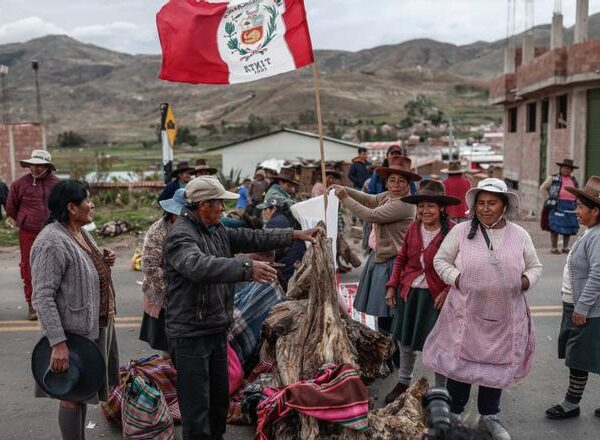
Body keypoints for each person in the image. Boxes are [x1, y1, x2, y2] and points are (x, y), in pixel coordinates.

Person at [164, 176, 316, 440]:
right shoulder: (181, 236)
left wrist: (294, 235)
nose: (223, 210)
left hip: (215, 328)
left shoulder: (216, 229)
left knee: (218, 400)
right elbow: (198, 266)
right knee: (196, 407)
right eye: (219, 204)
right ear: (202, 205)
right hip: (191, 333)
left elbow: (251, 237)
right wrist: (247, 269)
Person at [423, 178, 542, 440]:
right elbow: (440, 260)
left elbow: (535, 267)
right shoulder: (461, 231)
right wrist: (458, 279)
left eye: (492, 203)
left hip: (505, 316)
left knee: (496, 366)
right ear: (473, 207)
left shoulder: (520, 235)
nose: (486, 208)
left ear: (504, 206)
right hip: (465, 312)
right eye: (481, 204)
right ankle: (453, 416)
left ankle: (490, 417)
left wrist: (524, 281)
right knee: (460, 363)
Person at [30, 180, 120, 440]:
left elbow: (80, 266)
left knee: (81, 393)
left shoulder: (78, 231)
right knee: (70, 395)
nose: (91, 205)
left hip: (91, 327)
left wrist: (101, 259)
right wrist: (58, 343)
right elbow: (43, 297)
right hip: (72, 335)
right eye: (87, 200)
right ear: (71, 207)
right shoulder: (51, 242)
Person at [384, 180, 460, 403]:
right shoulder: (413, 228)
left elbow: (460, 266)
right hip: (410, 292)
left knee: (440, 343)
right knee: (406, 341)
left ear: (441, 208)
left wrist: (447, 291)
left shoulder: (454, 231)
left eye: (431, 206)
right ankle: (404, 381)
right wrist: (392, 285)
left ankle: (441, 390)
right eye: (422, 206)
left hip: (436, 296)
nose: (425, 211)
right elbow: (402, 258)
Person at [331, 156, 421, 337]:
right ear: (386, 183)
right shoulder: (388, 197)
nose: (395, 184)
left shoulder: (404, 204)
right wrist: (344, 189)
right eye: (392, 180)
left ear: (407, 185)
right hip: (382, 257)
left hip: (394, 262)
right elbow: (369, 199)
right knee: (384, 311)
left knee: (390, 311)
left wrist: (344, 199)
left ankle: (393, 354)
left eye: (401, 181)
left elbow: (371, 215)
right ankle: (388, 352)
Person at [545, 176, 600, 421]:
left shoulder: (598, 237)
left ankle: (570, 404)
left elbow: (598, 276)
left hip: (588, 309)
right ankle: (571, 403)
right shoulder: (590, 232)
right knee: (581, 355)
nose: (575, 211)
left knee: (580, 356)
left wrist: (582, 308)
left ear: (596, 211)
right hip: (577, 306)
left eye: (580, 207)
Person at [6, 149, 60, 320]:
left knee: (56, 266)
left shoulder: (58, 185)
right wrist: (25, 220)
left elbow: (64, 206)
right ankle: (32, 305)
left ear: (47, 166)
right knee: (29, 267)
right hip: (28, 232)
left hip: (54, 231)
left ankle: (54, 304)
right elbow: (11, 209)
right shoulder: (19, 184)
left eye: (40, 165)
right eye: (33, 165)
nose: (35, 169)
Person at [139, 188, 186, 352]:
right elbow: (150, 268)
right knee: (169, 349)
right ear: (172, 213)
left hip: (184, 297)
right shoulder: (158, 232)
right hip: (164, 297)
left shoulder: (190, 229)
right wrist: (175, 292)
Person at [257, 196, 306, 291]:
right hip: (297, 263)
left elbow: (269, 253)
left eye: (265, 209)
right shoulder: (287, 217)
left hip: (287, 269)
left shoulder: (274, 223)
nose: (263, 213)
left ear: (274, 208)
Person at [540, 159, 580, 254]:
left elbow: (578, 191)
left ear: (571, 170)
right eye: (564, 168)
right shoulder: (553, 178)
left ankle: (565, 247)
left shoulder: (573, 180)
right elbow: (543, 188)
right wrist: (549, 198)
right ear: (561, 168)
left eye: (568, 169)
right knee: (555, 226)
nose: (566, 170)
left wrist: (578, 202)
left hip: (571, 206)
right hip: (558, 205)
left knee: (569, 227)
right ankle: (554, 247)